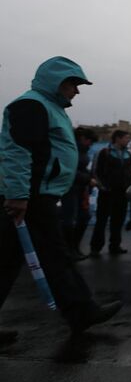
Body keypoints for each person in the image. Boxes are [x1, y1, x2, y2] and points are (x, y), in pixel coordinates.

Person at [0, 56, 122, 342]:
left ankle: (81, 312)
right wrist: (18, 196)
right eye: (73, 84)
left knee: (15, 261)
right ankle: (82, 312)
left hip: (35, 196)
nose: (76, 91)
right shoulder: (31, 105)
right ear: (57, 82)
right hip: (30, 198)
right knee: (54, 256)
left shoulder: (50, 108)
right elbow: (18, 151)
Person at [90, 130, 131, 255]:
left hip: (122, 194)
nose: (128, 140)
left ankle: (115, 246)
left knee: (118, 221)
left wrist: (129, 188)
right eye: (126, 137)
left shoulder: (129, 155)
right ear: (118, 139)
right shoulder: (104, 153)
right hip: (107, 193)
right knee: (101, 221)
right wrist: (103, 187)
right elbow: (95, 171)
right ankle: (95, 248)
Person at [60, 126, 98, 261]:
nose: (91, 145)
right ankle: (67, 251)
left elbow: (80, 169)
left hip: (81, 189)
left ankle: (74, 248)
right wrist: (88, 179)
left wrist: (89, 178)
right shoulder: (70, 149)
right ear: (82, 138)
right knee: (68, 221)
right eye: (90, 141)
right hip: (69, 189)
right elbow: (69, 171)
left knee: (84, 217)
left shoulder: (82, 151)